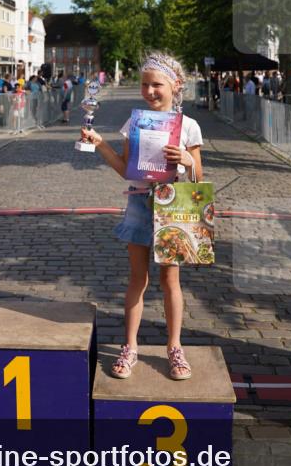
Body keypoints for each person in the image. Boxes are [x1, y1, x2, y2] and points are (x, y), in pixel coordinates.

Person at [81, 52, 203, 382]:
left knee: (170, 280)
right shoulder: (135, 122)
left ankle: (174, 346)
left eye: (157, 85)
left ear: (175, 86)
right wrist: (100, 143)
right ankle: (130, 345)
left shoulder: (188, 126)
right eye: (145, 85)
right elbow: (125, 170)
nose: (150, 91)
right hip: (138, 202)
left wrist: (186, 161)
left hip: (173, 204)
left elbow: (198, 177)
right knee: (137, 278)